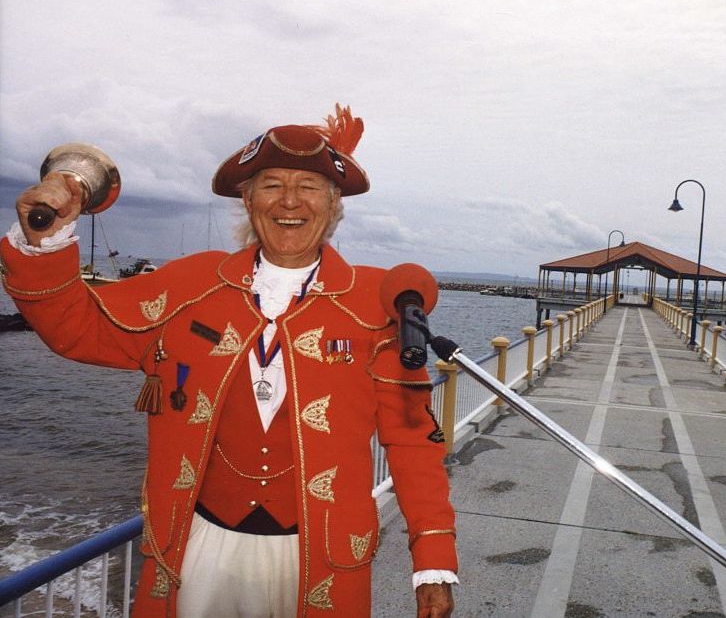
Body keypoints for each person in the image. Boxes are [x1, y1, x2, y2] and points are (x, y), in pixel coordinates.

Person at [1, 105, 458, 617]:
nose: (289, 201)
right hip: (200, 545)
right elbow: (77, 330)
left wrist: (433, 561)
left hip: (321, 552)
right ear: (247, 199)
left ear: (333, 207)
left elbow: (413, 441)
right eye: (270, 185)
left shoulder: (381, 301)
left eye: (308, 186)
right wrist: (45, 241)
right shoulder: (189, 284)